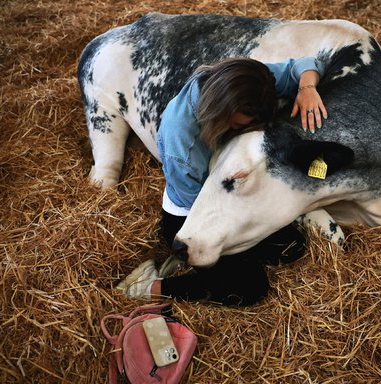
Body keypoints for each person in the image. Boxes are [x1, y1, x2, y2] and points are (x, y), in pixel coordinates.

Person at [117, 56, 328, 305]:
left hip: (233, 192)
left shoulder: (242, 81)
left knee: (292, 246)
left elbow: (305, 64)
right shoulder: (182, 145)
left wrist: (307, 88)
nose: (241, 131)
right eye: (237, 125)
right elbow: (207, 208)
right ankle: (149, 286)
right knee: (248, 289)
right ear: (220, 111)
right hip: (194, 215)